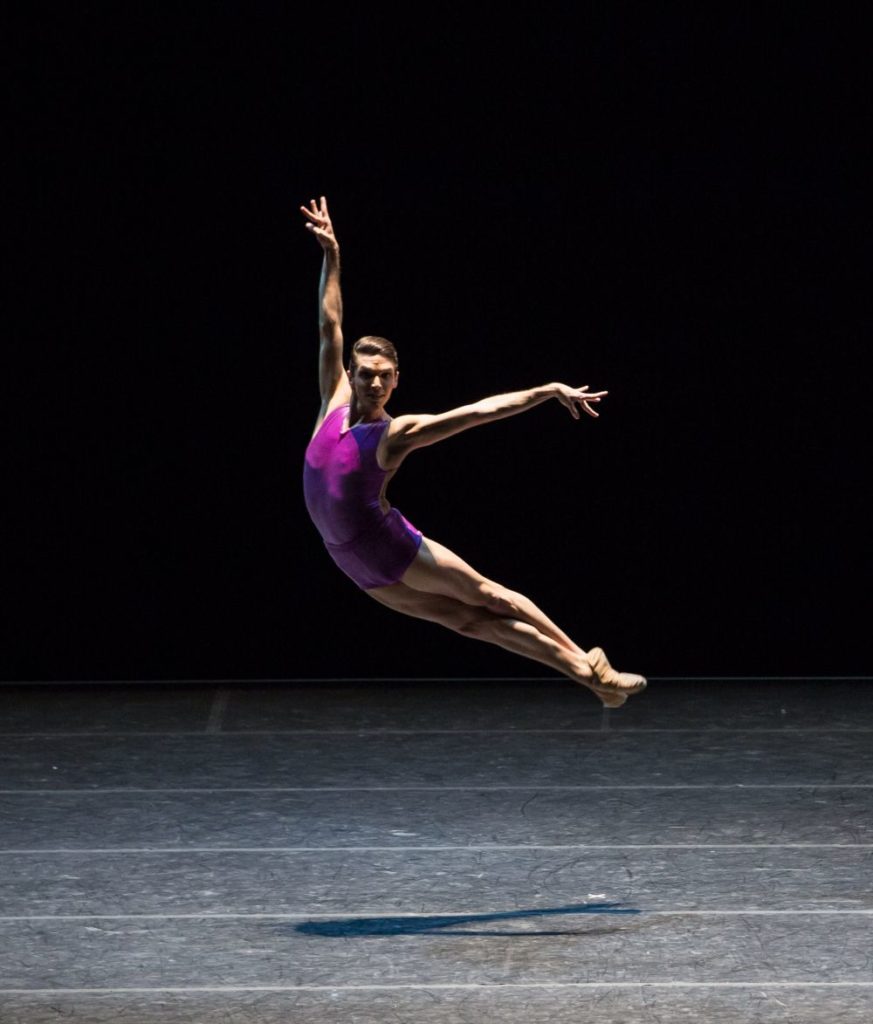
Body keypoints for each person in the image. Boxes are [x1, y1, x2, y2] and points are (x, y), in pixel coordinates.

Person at [301, 196, 646, 707]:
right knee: (467, 622)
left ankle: (591, 664)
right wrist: (332, 253)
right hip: (355, 567)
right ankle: (590, 678)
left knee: (487, 596)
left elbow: (479, 411)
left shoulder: (396, 434)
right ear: (351, 374)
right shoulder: (333, 399)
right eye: (366, 374)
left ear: (396, 382)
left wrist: (546, 390)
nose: (374, 382)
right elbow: (331, 324)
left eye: (385, 376)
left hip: (390, 546)